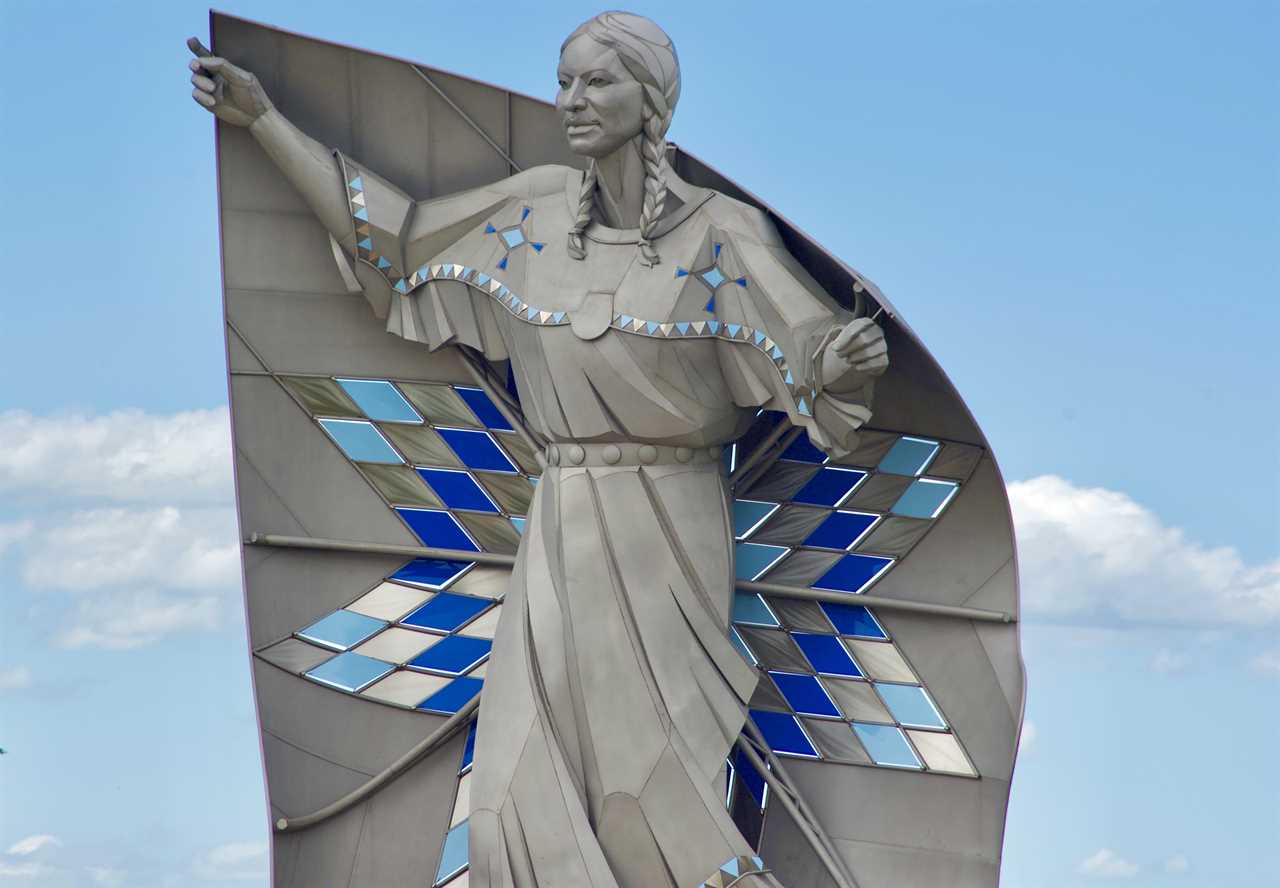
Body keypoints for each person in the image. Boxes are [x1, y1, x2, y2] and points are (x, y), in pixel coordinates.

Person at [191, 11, 888, 887]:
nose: (571, 101)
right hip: (558, 524)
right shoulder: (529, 215)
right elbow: (395, 244)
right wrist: (265, 123)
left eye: (595, 82)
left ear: (652, 101)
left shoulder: (720, 236)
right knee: (509, 797)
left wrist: (843, 356)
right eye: (564, 81)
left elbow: (811, 349)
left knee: (649, 796)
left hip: (665, 531)